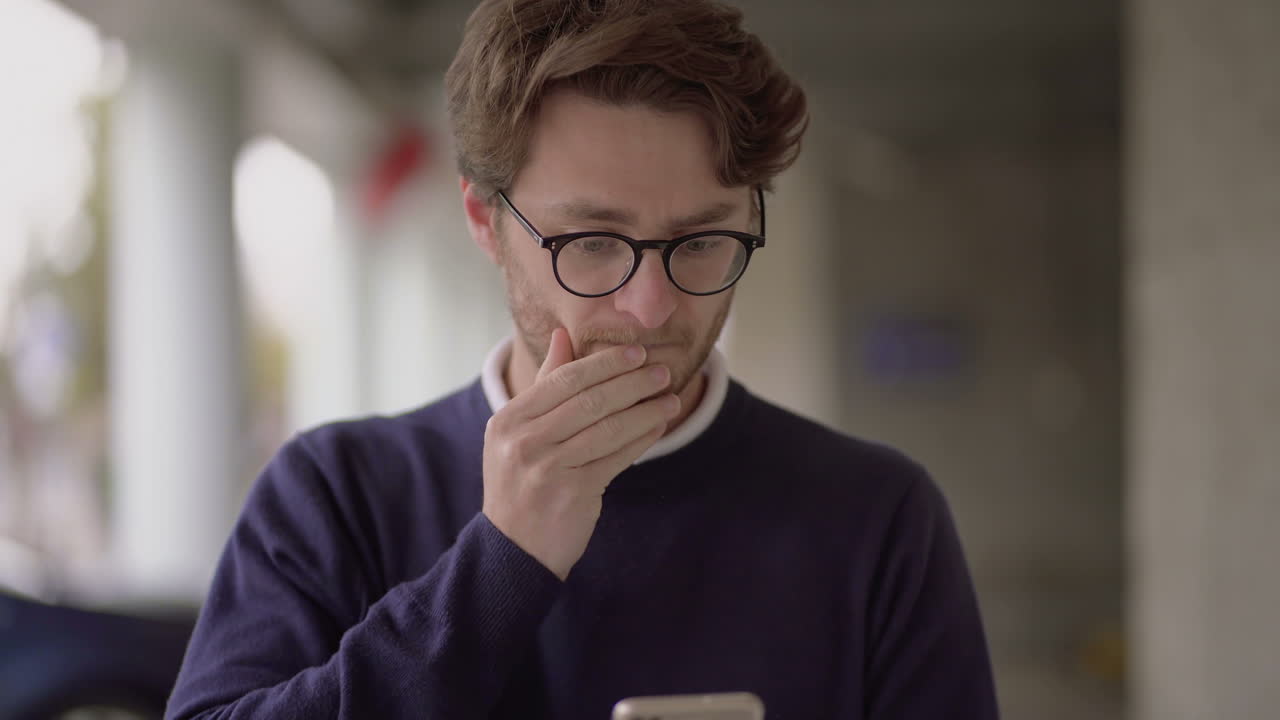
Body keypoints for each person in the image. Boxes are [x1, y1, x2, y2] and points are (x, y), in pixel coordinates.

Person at [166, 0, 999, 718]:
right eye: (594, 242)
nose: (651, 306)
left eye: (702, 240)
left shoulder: (878, 522)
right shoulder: (337, 494)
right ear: (485, 222)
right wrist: (501, 566)